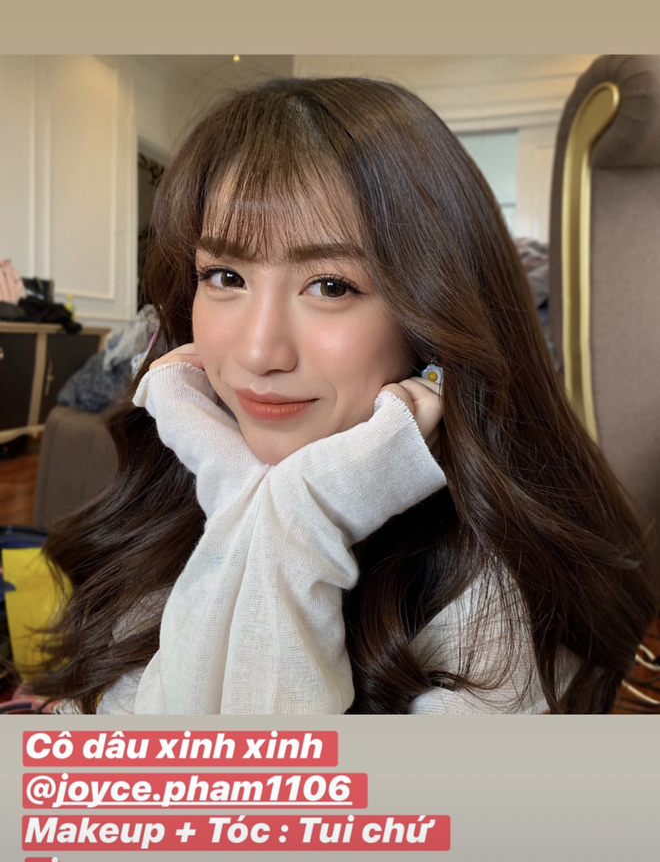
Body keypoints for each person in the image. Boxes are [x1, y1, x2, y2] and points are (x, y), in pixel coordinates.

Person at [30, 77, 658, 715]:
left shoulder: (491, 615)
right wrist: (233, 484)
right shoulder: (181, 489)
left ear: (430, 317)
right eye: (225, 276)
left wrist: (296, 523)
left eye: (331, 286)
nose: (259, 352)